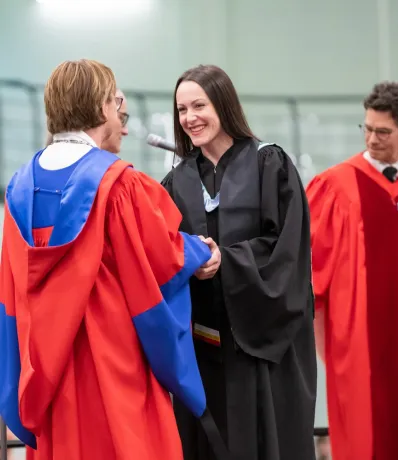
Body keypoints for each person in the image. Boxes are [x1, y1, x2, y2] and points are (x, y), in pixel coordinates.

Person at [0, 59, 220, 460]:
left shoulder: (19, 188)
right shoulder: (120, 185)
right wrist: (198, 250)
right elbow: (160, 260)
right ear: (103, 107)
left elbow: (10, 297)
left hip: (47, 380)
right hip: (112, 373)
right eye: (117, 103)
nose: (122, 117)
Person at [161, 64, 317, 460]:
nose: (190, 117)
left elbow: (287, 248)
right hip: (204, 346)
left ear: (224, 104)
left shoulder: (270, 164)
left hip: (263, 340)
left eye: (200, 105)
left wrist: (225, 259)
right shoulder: (176, 181)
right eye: (182, 110)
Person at [306, 81, 398, 460]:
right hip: (355, 341)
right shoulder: (336, 186)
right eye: (366, 128)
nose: (371, 139)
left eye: (383, 132)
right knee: (361, 437)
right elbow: (311, 264)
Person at [44, 87, 129, 153]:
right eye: (121, 118)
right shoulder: (125, 174)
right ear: (102, 112)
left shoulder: (37, 167)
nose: (126, 131)